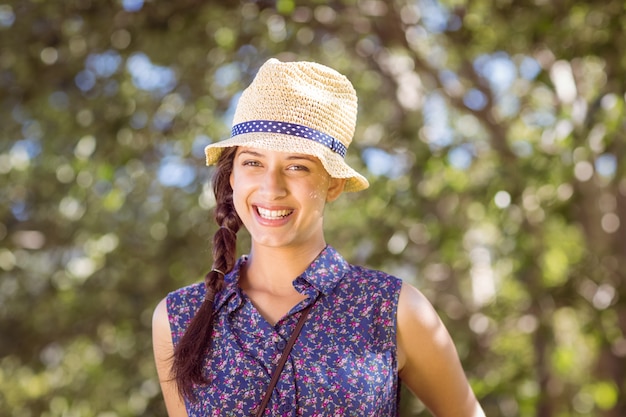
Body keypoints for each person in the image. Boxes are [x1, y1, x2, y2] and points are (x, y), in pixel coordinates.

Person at [152, 57, 485, 417]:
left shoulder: (393, 308)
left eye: (297, 166)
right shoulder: (179, 318)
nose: (271, 187)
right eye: (253, 162)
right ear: (231, 175)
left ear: (334, 184)